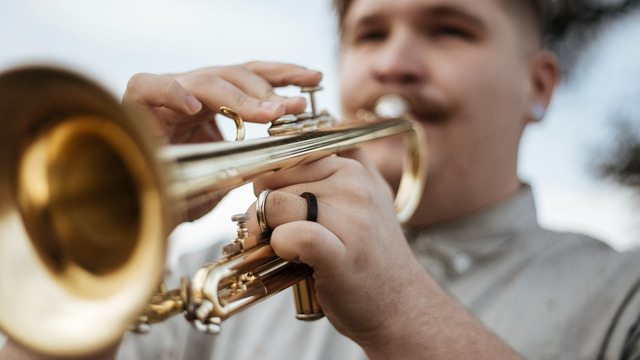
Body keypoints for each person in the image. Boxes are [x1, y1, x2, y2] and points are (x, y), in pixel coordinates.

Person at [2, 0, 640, 359]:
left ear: (538, 86)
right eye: (370, 34)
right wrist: (100, 222)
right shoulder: (197, 275)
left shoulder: (622, 295)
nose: (394, 64)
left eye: (449, 29)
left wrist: (403, 312)